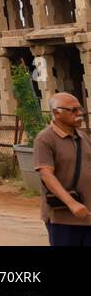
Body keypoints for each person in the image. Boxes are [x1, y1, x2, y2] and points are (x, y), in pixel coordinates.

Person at [33, 92, 91, 246]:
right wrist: (72, 204)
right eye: (73, 110)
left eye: (80, 109)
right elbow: (46, 175)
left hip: (88, 214)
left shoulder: (83, 137)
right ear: (56, 113)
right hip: (63, 217)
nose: (80, 113)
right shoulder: (45, 139)